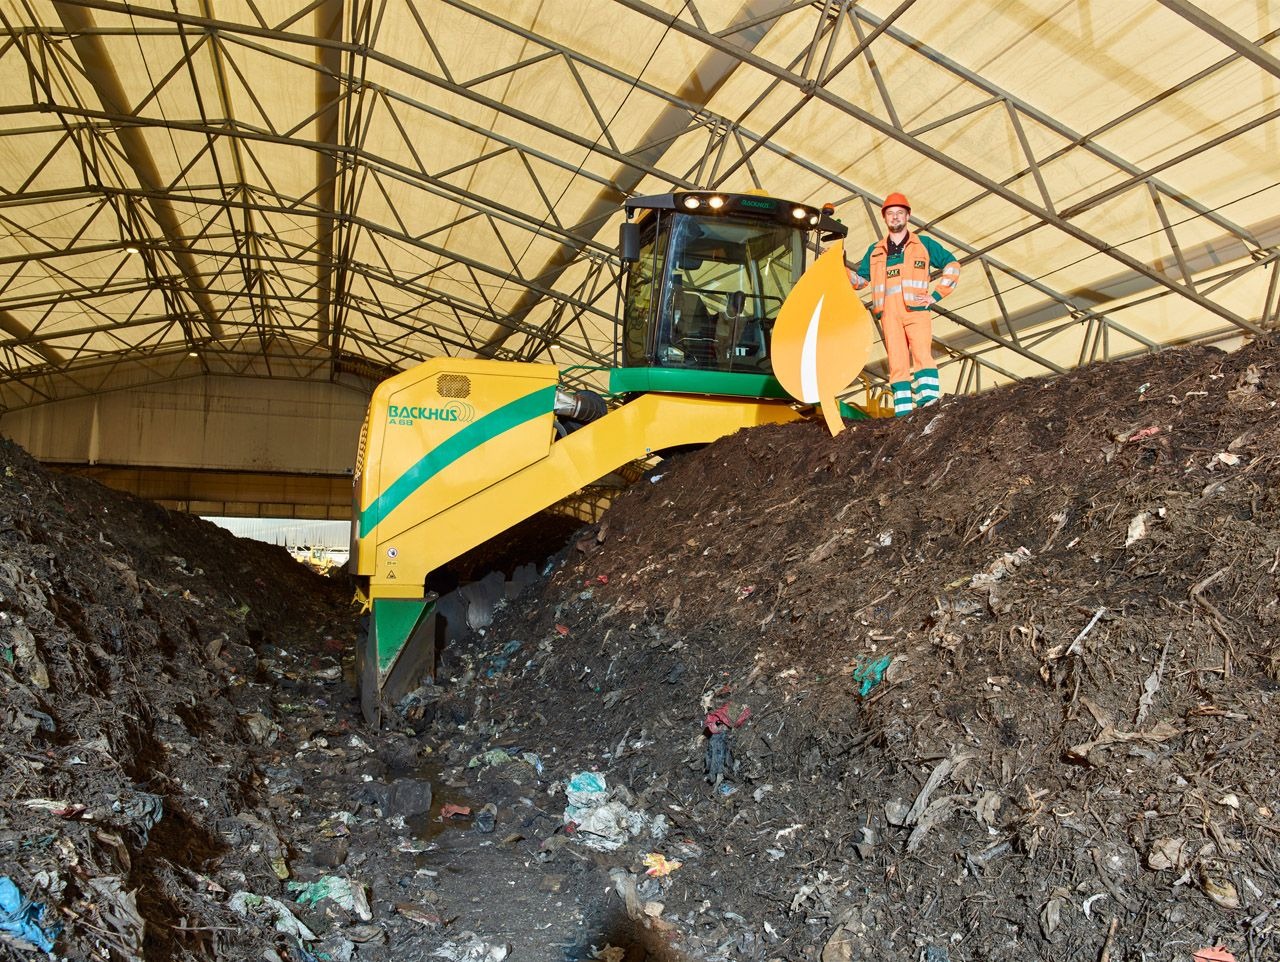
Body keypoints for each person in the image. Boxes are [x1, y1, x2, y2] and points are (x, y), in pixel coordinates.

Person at [849, 193, 960, 416]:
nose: (895, 217)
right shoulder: (875, 251)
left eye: (900, 213)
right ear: (885, 218)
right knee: (897, 362)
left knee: (922, 354)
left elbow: (952, 264)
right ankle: (902, 411)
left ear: (908, 216)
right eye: (890, 214)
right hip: (889, 314)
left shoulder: (924, 244)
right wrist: (839, 269)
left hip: (916, 311)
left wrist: (936, 295)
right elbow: (860, 281)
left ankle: (928, 402)